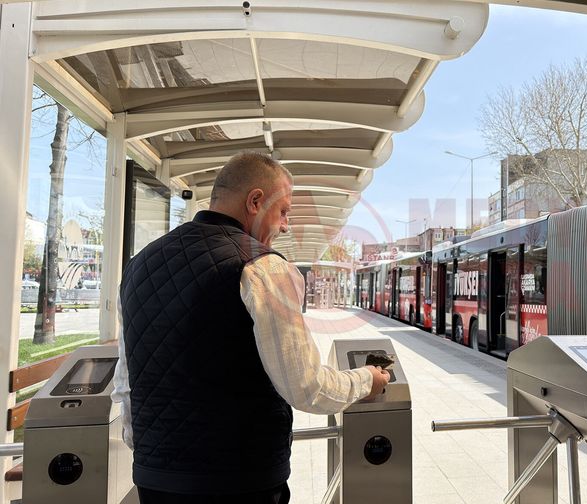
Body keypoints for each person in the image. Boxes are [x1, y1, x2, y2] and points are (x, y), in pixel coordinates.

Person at [112, 152, 390, 503]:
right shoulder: (264, 267)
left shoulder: (140, 265)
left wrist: (159, 456)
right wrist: (367, 379)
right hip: (240, 481)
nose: (286, 225)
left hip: (156, 482)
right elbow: (306, 387)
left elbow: (126, 384)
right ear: (256, 201)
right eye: (284, 210)